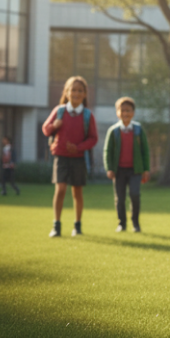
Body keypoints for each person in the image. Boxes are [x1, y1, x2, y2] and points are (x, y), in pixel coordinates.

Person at [42, 76, 98, 238]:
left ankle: (77, 226)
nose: (76, 93)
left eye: (80, 90)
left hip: (78, 158)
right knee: (60, 190)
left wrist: (78, 147)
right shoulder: (59, 111)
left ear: (85, 94)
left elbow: (93, 138)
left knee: (77, 192)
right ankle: (56, 226)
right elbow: (46, 129)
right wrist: (55, 126)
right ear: (66, 92)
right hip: (61, 157)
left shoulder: (88, 115)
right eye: (73, 90)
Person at [103, 96, 150, 233]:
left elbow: (145, 150)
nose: (125, 113)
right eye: (122, 110)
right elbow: (108, 151)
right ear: (117, 113)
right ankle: (121, 224)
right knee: (120, 198)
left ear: (133, 113)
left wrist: (146, 169)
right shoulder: (114, 131)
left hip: (135, 170)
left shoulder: (138, 130)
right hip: (119, 171)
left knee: (135, 195)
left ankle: (135, 223)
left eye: (128, 110)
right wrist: (109, 168)